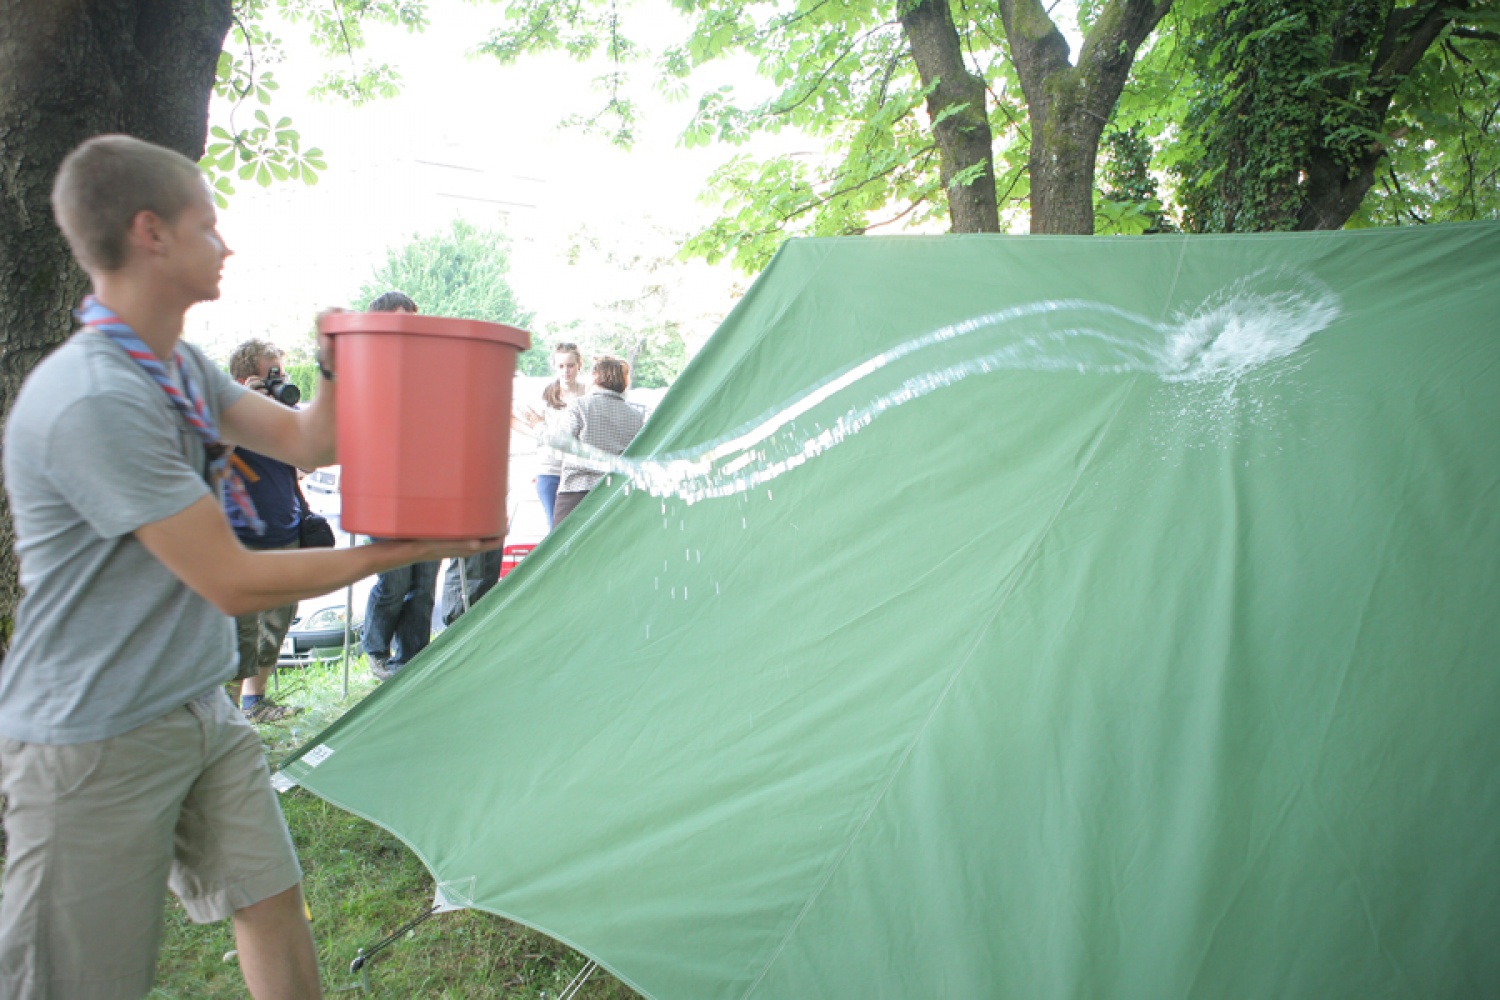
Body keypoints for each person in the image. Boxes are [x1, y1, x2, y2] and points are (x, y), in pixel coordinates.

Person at [0, 134, 497, 999]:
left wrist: (337, 364)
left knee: (271, 901)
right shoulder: (97, 397)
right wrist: (399, 553)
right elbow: (226, 578)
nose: (225, 244)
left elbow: (311, 439)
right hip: (92, 732)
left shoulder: (179, 368)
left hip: (195, 701)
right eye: (209, 225)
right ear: (151, 233)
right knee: (79, 978)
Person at [359, 291, 440, 680]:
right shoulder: (365, 368)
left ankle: (411, 661)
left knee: (423, 583)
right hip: (382, 492)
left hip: (428, 491)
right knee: (394, 581)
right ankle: (376, 652)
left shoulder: (430, 368)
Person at [225, 338, 305, 723]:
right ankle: (225, 713)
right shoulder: (225, 414)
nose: (280, 381)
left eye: (282, 373)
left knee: (275, 625)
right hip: (239, 539)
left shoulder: (285, 416)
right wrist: (243, 405)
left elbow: (308, 460)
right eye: (270, 374)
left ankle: (255, 703)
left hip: (284, 533)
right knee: (236, 632)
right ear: (245, 378)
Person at [552, 356, 646, 526]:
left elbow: (561, 446)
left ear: (595, 376)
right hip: (617, 494)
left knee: (567, 550)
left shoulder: (578, 406)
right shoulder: (636, 416)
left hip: (576, 492)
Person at [516, 341, 586, 528]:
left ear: (579, 365)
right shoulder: (544, 395)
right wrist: (539, 435)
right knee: (555, 529)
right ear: (554, 367)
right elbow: (515, 419)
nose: (566, 371)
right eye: (561, 366)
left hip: (580, 473)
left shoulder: (588, 394)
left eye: (570, 365)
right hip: (550, 471)